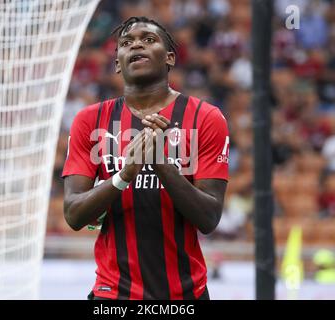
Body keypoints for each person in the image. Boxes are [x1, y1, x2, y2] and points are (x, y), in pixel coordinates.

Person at [62, 16, 229, 300]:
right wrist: (124, 175)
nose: (136, 45)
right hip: (112, 294)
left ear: (170, 58)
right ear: (117, 63)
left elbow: (209, 218)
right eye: (126, 43)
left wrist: (161, 164)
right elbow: (74, 214)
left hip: (185, 294)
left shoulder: (206, 118)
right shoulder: (90, 120)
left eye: (149, 40)